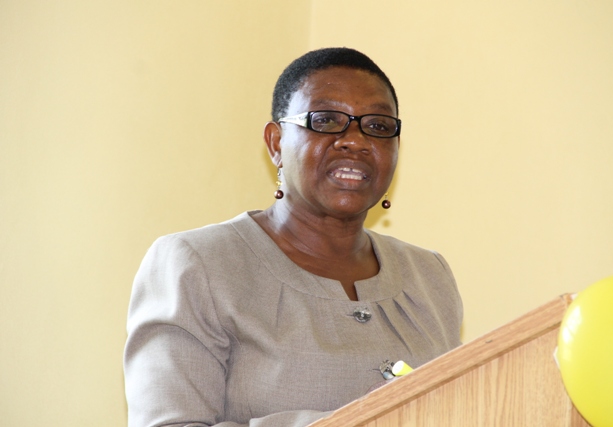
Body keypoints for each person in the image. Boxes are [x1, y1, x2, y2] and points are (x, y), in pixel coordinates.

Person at [124, 47, 463, 427]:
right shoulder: (197, 263)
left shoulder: (429, 277)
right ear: (275, 143)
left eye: (379, 126)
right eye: (326, 120)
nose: (355, 140)